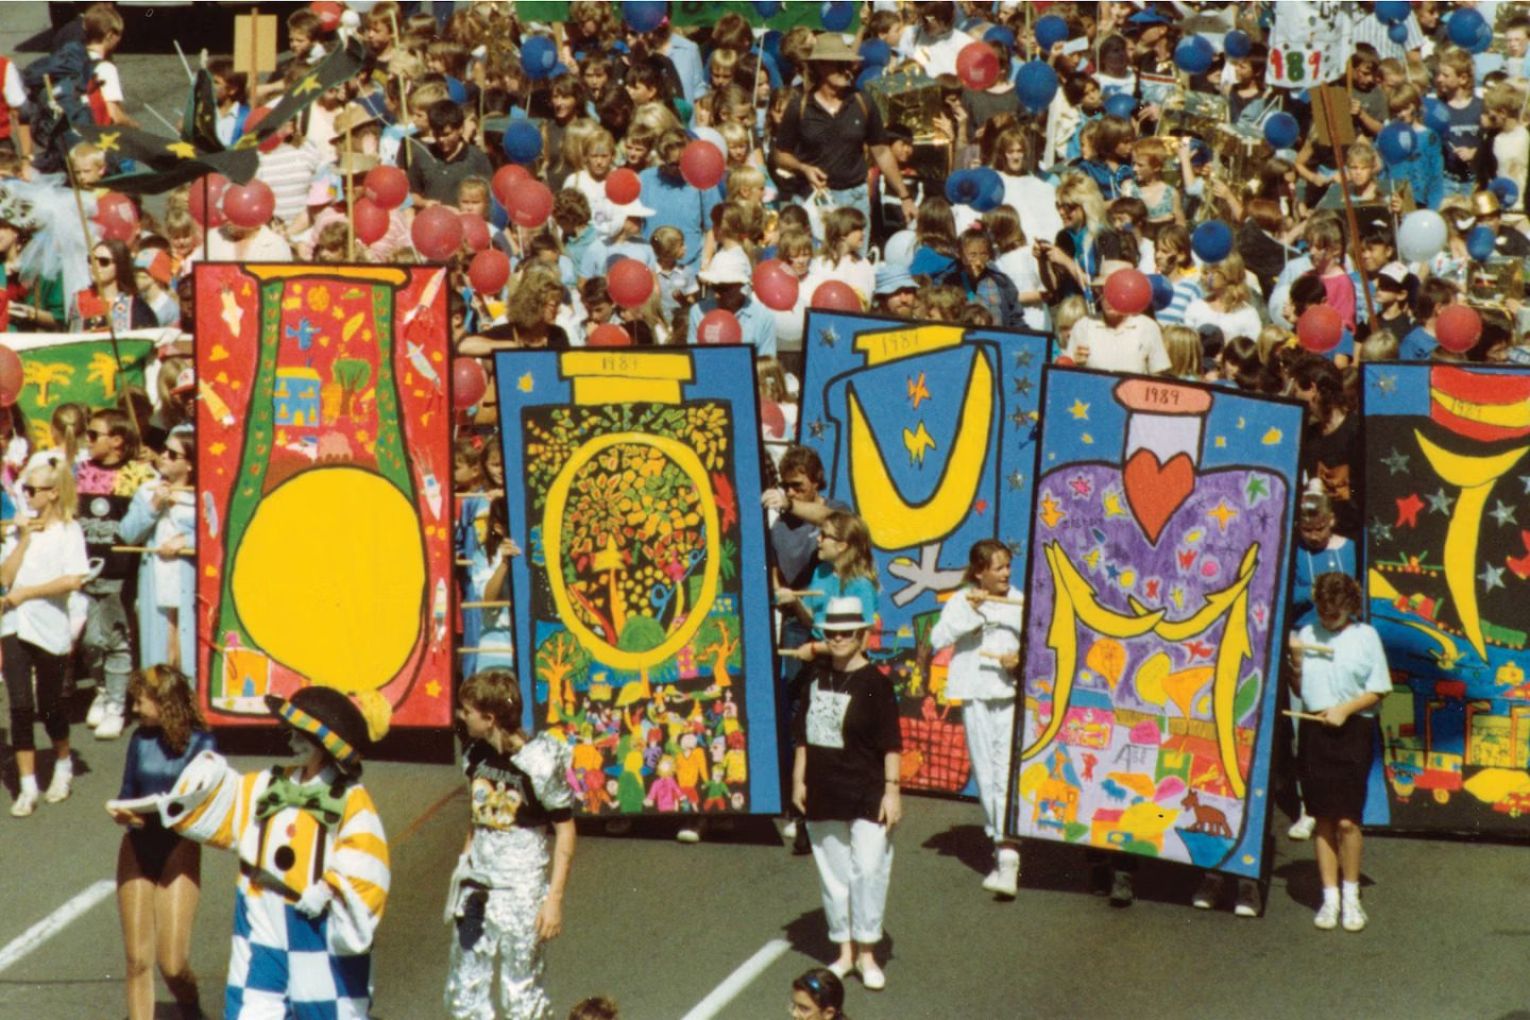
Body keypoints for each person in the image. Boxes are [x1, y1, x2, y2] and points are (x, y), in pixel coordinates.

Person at [150, 686, 391, 1019]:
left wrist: (327, 889)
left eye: (300, 737)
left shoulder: (351, 798)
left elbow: (366, 857)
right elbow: (224, 810)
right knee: (253, 1005)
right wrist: (187, 792)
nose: (291, 742)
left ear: (322, 747)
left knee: (324, 1008)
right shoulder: (268, 782)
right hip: (261, 911)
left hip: (314, 920)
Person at [445, 669, 576, 1020]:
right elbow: (476, 817)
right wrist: (464, 862)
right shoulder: (474, 754)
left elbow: (565, 829)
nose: (461, 716)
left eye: (467, 711)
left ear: (489, 719)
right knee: (465, 986)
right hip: (476, 885)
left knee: (521, 991)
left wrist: (554, 901)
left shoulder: (540, 763)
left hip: (521, 889)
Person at [791, 596, 901, 991]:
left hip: (867, 790)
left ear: (862, 635)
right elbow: (803, 736)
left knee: (869, 870)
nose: (837, 638)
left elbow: (891, 742)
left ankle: (868, 952)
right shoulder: (816, 679)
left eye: (846, 632)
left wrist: (892, 790)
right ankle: (845, 952)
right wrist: (798, 780)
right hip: (824, 788)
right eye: (831, 632)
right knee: (834, 875)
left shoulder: (877, 683)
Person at [107, 665, 215, 1020]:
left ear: (164, 701)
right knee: (138, 960)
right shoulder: (139, 740)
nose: (136, 709)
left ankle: (189, 1005)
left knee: (172, 963)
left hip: (179, 847)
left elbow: (206, 806)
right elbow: (127, 794)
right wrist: (125, 814)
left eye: (141, 700)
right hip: (138, 845)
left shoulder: (202, 743)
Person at [1288, 573, 1392, 932]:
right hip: (1315, 729)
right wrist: (1297, 663)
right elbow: (1300, 689)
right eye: (1322, 610)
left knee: (1347, 820)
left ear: (1350, 606)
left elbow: (1380, 689)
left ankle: (1351, 897)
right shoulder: (1306, 634)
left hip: (1353, 730)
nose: (1327, 617)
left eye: (1334, 611)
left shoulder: (1366, 636)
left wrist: (1344, 709)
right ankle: (1329, 898)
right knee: (1323, 818)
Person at [929, 540, 1023, 899]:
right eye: (998, 568)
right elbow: (938, 638)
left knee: (1006, 774)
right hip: (975, 693)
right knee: (986, 775)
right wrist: (971, 614)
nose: (1005, 574)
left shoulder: (1019, 599)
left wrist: (1019, 657)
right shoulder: (962, 599)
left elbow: (1034, 641)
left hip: (1009, 693)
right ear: (979, 572)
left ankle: (1008, 854)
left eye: (1007, 567)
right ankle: (1004, 854)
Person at [3, 453, 89, 816]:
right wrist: (22, 538)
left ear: (53, 493)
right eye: (24, 489)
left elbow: (73, 579)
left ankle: (63, 761)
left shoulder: (69, 531)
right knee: (20, 705)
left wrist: (28, 593)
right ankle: (27, 785)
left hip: (49, 625)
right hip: (13, 624)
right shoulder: (19, 530)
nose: (27, 496)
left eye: (33, 490)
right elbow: (5, 578)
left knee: (50, 705)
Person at [770, 34, 916, 246]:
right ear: (820, 66)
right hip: (815, 200)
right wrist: (803, 168)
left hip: (855, 200)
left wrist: (905, 197)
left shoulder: (862, 102)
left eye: (848, 63)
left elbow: (882, 152)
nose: (847, 69)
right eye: (839, 64)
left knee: (854, 268)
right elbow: (780, 154)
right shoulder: (799, 106)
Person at [78, 408, 158, 739]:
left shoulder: (140, 476)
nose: (88, 439)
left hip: (119, 573)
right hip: (82, 572)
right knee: (88, 640)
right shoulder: (77, 471)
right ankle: (100, 689)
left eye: (94, 434)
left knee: (116, 639)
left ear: (117, 440)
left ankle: (115, 703)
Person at [120, 425, 196, 680]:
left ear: (190, 465)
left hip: (188, 579)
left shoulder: (201, 496)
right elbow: (128, 533)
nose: (163, 456)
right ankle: (159, 712)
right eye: (164, 450)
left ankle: (189, 710)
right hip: (157, 578)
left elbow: (217, 536)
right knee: (160, 648)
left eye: (173, 454)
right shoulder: (147, 491)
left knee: (185, 648)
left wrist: (187, 538)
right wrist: (154, 505)